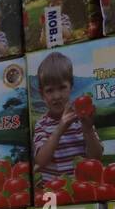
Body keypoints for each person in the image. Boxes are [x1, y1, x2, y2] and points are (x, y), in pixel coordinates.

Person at [33, 52, 102, 180]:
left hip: (81, 186)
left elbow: (96, 157)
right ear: (42, 94)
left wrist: (88, 129)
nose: (57, 96)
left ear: (71, 87)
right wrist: (59, 129)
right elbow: (40, 161)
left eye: (62, 87)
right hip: (52, 189)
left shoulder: (81, 119)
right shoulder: (41, 124)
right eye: (50, 90)